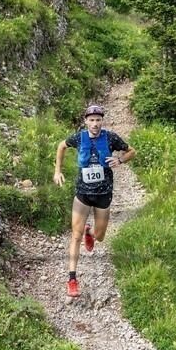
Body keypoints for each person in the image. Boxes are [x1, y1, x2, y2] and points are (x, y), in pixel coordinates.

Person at [53, 103, 136, 297]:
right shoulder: (79, 138)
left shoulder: (111, 138)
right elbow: (61, 146)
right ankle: (72, 280)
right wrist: (57, 171)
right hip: (82, 193)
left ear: (102, 121)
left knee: (100, 236)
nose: (95, 123)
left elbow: (132, 151)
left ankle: (90, 232)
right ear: (86, 121)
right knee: (75, 235)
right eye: (91, 120)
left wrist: (120, 160)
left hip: (103, 194)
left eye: (98, 120)